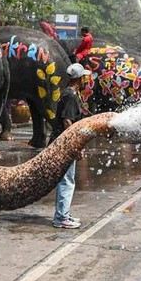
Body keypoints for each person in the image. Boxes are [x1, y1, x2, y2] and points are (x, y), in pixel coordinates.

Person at [52, 63, 91, 228]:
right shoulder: (70, 96)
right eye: (84, 78)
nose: (86, 80)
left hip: (63, 143)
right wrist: (75, 146)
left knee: (67, 179)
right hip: (65, 145)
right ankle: (61, 218)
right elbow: (67, 121)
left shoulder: (69, 94)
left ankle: (63, 214)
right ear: (80, 78)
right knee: (66, 181)